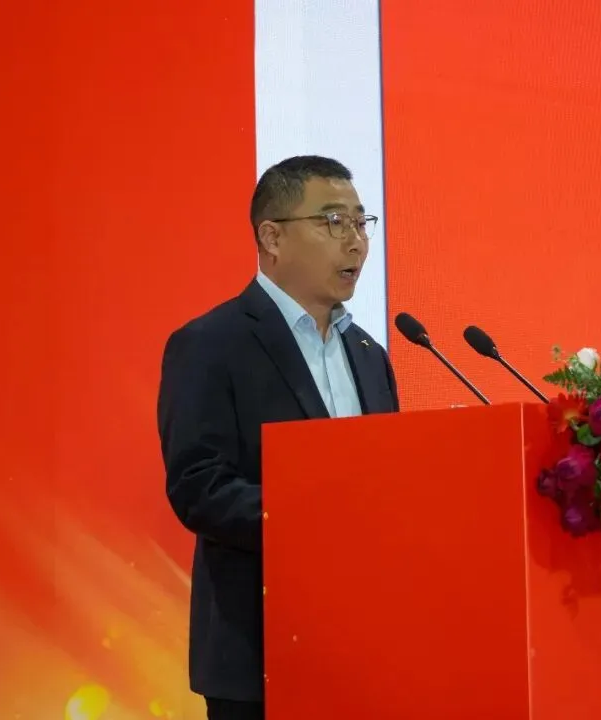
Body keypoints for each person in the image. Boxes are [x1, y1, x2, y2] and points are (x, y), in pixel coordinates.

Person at [157, 155, 400, 720]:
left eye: (361, 222)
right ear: (271, 237)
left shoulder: (370, 355)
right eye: (333, 222)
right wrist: (316, 518)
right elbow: (198, 486)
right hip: (258, 651)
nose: (356, 242)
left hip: (363, 646)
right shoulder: (210, 344)